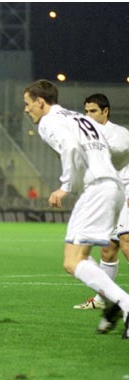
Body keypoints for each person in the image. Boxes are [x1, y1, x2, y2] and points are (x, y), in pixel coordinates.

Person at [23, 80, 128, 338]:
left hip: (96, 190)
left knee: (73, 262)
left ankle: (124, 304)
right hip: (113, 187)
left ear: (40, 102)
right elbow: (114, 148)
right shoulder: (79, 118)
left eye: (27, 104)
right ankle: (114, 303)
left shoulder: (48, 122)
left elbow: (70, 146)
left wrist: (65, 186)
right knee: (82, 254)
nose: (26, 109)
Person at [74, 93, 129, 310]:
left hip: (125, 191)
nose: (88, 115)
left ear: (106, 112)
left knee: (126, 240)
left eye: (93, 111)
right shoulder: (86, 136)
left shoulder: (118, 134)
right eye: (86, 111)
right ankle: (102, 299)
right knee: (108, 249)